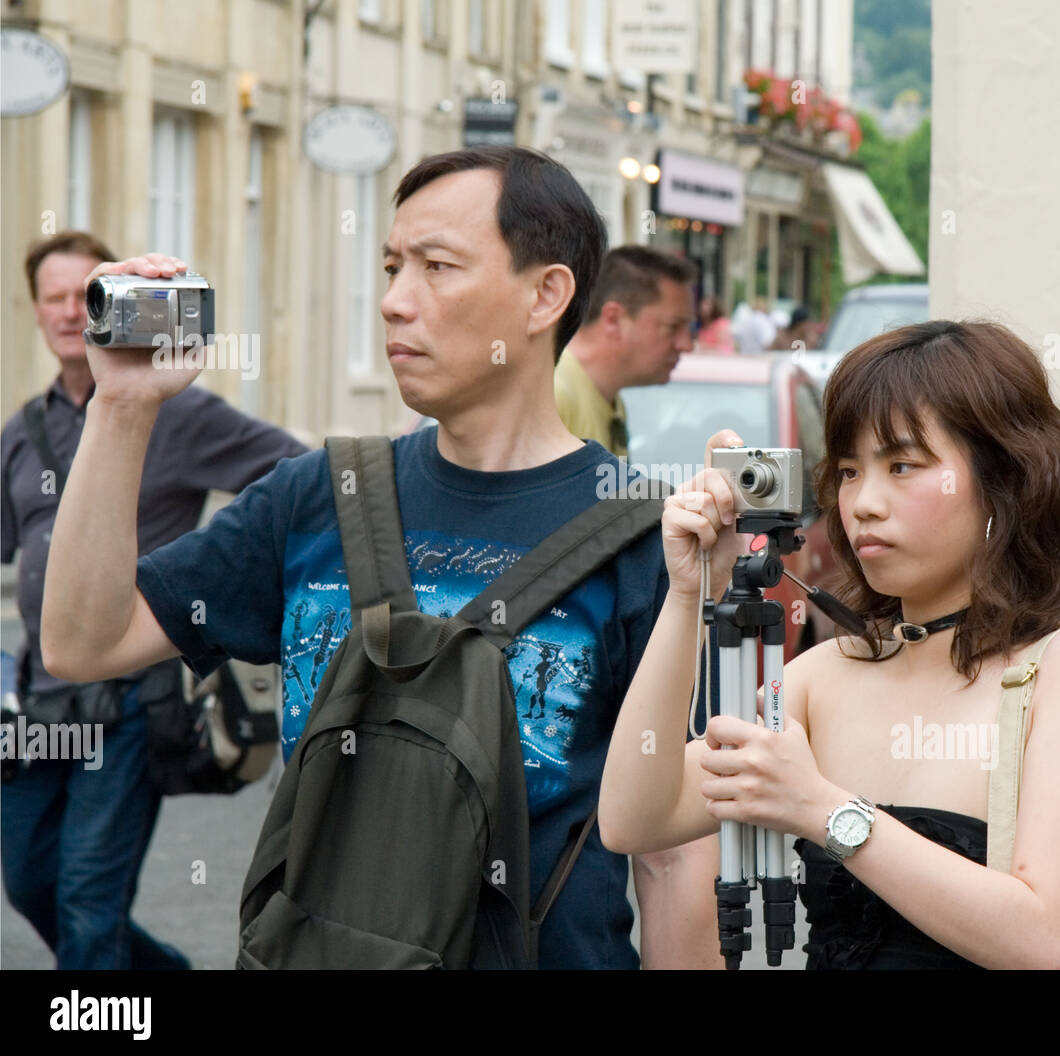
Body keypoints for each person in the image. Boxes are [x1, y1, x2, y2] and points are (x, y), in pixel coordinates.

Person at [39, 148, 722, 970]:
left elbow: (675, 854)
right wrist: (119, 405)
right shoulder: (317, 495)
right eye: (393, 267)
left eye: (437, 268)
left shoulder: (648, 539)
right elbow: (84, 641)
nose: (395, 303)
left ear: (546, 295)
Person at [599, 319, 1060, 969]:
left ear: (1004, 481)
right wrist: (688, 593)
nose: (864, 502)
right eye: (849, 471)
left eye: (901, 465)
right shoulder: (825, 676)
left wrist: (822, 807)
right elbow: (636, 818)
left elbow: (1046, 941)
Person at [0, 230, 308, 969]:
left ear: (115, 307)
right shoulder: (21, 432)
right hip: (35, 699)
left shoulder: (182, 412)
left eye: (87, 295)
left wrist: (215, 583)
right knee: (30, 884)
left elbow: (304, 477)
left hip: (131, 699)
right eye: (56, 298)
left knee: (86, 902)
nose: (72, 312)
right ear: (37, 311)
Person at [554, 246, 696, 457]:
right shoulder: (554, 396)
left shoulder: (608, 399)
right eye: (673, 327)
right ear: (613, 319)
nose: (686, 345)